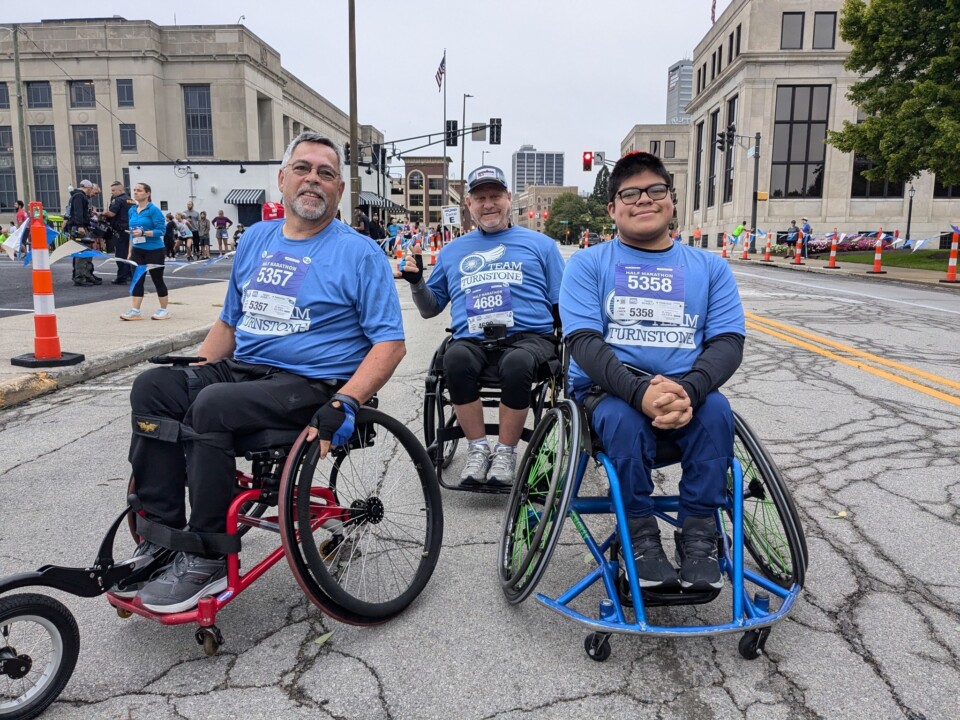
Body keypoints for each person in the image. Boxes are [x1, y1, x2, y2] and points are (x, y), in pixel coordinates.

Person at [118, 131, 405, 613]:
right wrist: (192, 377)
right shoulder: (256, 239)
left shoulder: (360, 253)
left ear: (338, 189)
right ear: (282, 179)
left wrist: (347, 401)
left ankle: (206, 556)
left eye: (326, 173)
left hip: (309, 382)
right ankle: (162, 538)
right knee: (154, 388)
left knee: (213, 407)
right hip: (244, 370)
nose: (313, 179)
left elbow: (390, 344)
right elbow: (230, 322)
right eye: (303, 168)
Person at [559, 151, 745, 592]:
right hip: (609, 393)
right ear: (612, 209)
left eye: (655, 190)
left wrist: (690, 391)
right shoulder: (588, 264)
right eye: (630, 194)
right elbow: (583, 342)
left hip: (686, 393)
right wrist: (639, 393)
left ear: (671, 200)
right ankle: (639, 536)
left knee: (718, 413)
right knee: (624, 420)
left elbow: (727, 342)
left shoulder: (710, 268)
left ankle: (699, 534)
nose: (644, 199)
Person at [402, 165, 564, 488]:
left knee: (518, 364)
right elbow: (431, 308)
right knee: (454, 360)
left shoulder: (542, 246)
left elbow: (562, 305)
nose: (488, 204)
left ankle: (505, 452)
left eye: (495, 196)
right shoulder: (452, 251)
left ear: (508, 198)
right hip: (473, 339)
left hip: (528, 339)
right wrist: (417, 281)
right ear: (469, 204)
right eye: (480, 198)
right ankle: (477, 449)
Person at [121, 183, 171, 321]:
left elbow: (161, 231)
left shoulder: (153, 210)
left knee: (157, 279)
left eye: (139, 190)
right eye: (134, 190)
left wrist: (144, 233)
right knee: (137, 280)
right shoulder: (132, 210)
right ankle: (135, 311)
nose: (135, 192)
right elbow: (132, 233)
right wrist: (130, 251)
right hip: (137, 250)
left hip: (154, 250)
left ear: (147, 193)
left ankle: (164, 310)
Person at [65, 179, 101, 286]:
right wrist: (80, 225)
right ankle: (80, 277)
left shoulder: (77, 196)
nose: (93, 194)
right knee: (82, 252)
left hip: (78, 226)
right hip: (79, 228)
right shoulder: (79, 197)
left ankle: (84, 274)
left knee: (83, 251)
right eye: (92, 190)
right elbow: (78, 212)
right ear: (88, 188)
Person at [101, 181, 134, 285]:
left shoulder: (118, 200)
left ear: (120, 190)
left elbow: (111, 214)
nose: (112, 192)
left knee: (120, 254)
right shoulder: (131, 200)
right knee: (129, 253)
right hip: (131, 229)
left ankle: (121, 278)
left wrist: (102, 213)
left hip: (121, 230)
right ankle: (129, 275)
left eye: (113, 190)